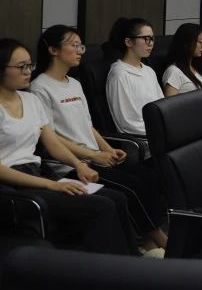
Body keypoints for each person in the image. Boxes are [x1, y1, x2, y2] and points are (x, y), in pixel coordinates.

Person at [0, 38, 143, 256]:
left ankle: (132, 260)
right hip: (11, 186)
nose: (28, 72)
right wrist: (52, 185)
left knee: (116, 198)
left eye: (30, 65)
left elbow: (53, 143)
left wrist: (79, 165)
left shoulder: (30, 100)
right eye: (21, 67)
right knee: (101, 206)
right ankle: (111, 270)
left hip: (36, 174)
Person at [32, 26, 169, 252]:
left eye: (81, 46)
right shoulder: (40, 88)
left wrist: (107, 149)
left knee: (148, 178)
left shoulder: (74, 83)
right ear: (53, 50)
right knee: (130, 188)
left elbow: (88, 126)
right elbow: (51, 137)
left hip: (95, 158)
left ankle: (147, 240)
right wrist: (93, 155)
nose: (80, 51)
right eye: (74, 45)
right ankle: (156, 237)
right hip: (70, 166)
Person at [104, 17, 163, 137]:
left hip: (159, 135)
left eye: (152, 38)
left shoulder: (149, 71)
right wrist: (159, 134)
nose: (151, 43)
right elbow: (127, 123)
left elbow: (162, 106)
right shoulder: (119, 75)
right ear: (129, 42)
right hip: (142, 140)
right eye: (146, 39)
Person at [161, 23, 202, 96]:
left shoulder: (195, 66)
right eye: (200, 42)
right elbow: (171, 102)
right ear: (186, 43)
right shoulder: (174, 71)